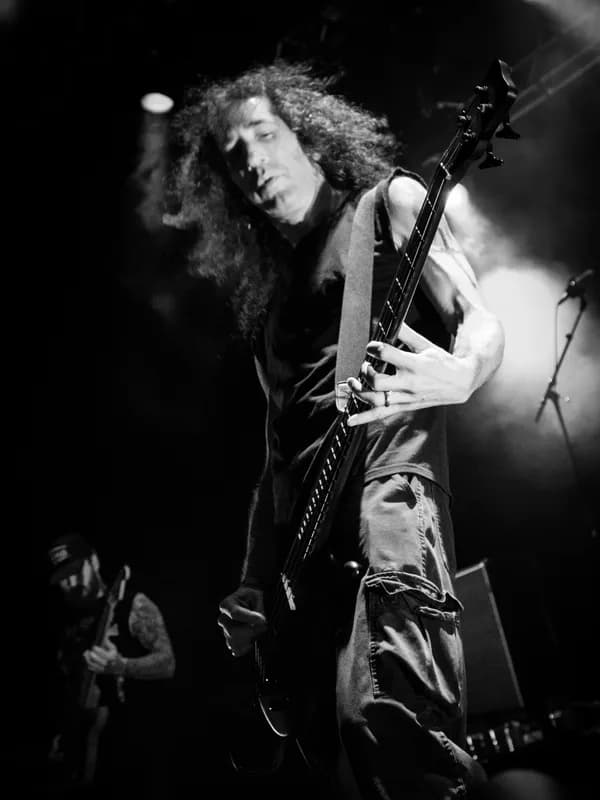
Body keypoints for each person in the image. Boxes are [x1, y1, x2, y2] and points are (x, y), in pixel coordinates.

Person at [168, 62, 504, 798]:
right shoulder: (271, 316)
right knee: (342, 773)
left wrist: (462, 373)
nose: (252, 161)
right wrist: (255, 585)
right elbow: (273, 464)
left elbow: (480, 319)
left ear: (311, 139)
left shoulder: (389, 204)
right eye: (234, 155)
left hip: (387, 490)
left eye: (264, 135)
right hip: (303, 569)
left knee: (391, 727)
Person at [46, 533, 176, 797]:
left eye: (75, 571)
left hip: (132, 760)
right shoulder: (67, 625)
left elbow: (168, 663)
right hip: (84, 756)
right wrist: (66, 732)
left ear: (93, 560)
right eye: (63, 578)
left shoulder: (132, 605)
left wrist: (121, 665)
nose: (71, 583)